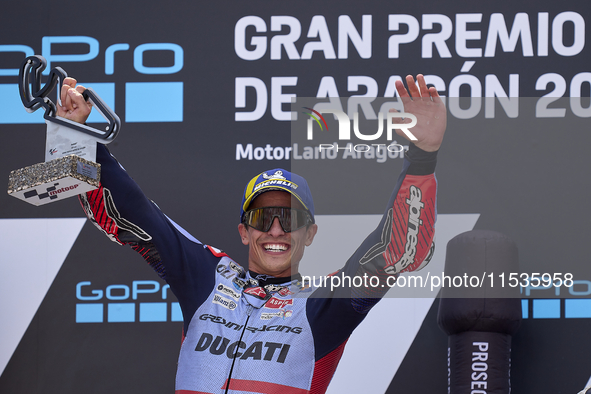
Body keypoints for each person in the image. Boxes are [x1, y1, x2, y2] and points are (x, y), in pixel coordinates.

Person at [59, 74, 446, 394]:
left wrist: (423, 159)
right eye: (263, 218)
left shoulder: (323, 305)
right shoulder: (209, 277)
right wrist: (78, 138)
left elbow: (395, 253)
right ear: (244, 232)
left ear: (309, 234)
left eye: (289, 218)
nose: (275, 230)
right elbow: (136, 215)